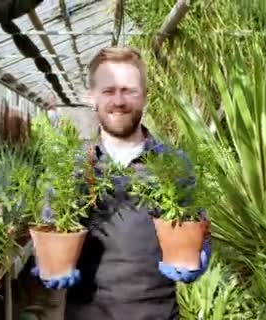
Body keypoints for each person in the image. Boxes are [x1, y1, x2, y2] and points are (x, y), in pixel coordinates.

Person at [30, 47, 211, 319]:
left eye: (129, 90)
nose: (119, 100)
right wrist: (45, 263)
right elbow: (50, 226)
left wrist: (201, 255)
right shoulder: (74, 166)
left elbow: (198, 227)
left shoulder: (174, 164)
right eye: (108, 91)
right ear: (92, 97)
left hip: (158, 313)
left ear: (144, 97)